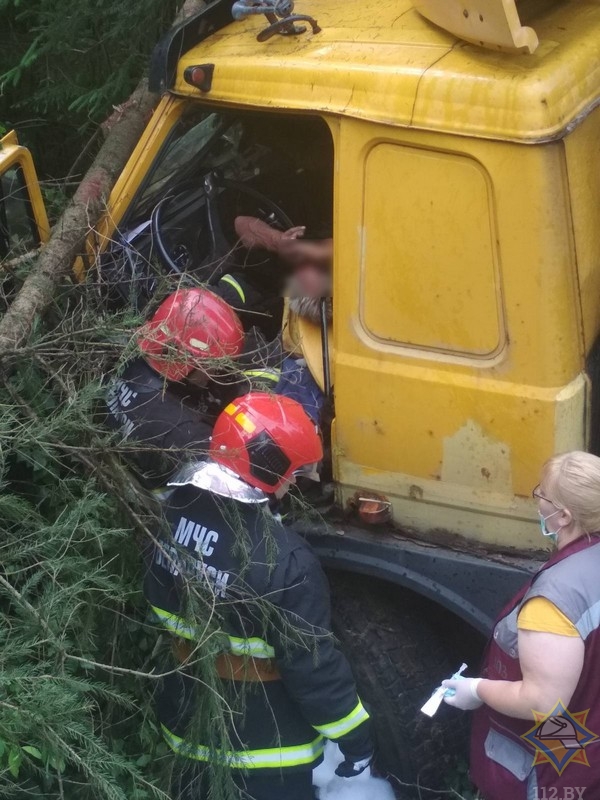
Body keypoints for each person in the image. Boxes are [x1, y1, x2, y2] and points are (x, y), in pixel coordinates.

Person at [143, 392, 373, 799]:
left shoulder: (168, 513)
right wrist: (355, 736)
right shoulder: (286, 561)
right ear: (271, 467)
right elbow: (312, 666)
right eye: (293, 474)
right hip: (266, 750)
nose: (294, 483)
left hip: (184, 713)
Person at [442, 451, 600, 799]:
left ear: (564, 516)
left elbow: (543, 703)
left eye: (542, 494)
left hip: (550, 778)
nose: (538, 502)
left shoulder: (553, 601)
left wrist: (477, 690)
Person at [105, 287, 244, 488]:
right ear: (186, 358)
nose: (215, 375)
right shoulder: (190, 436)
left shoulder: (114, 354)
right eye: (213, 366)